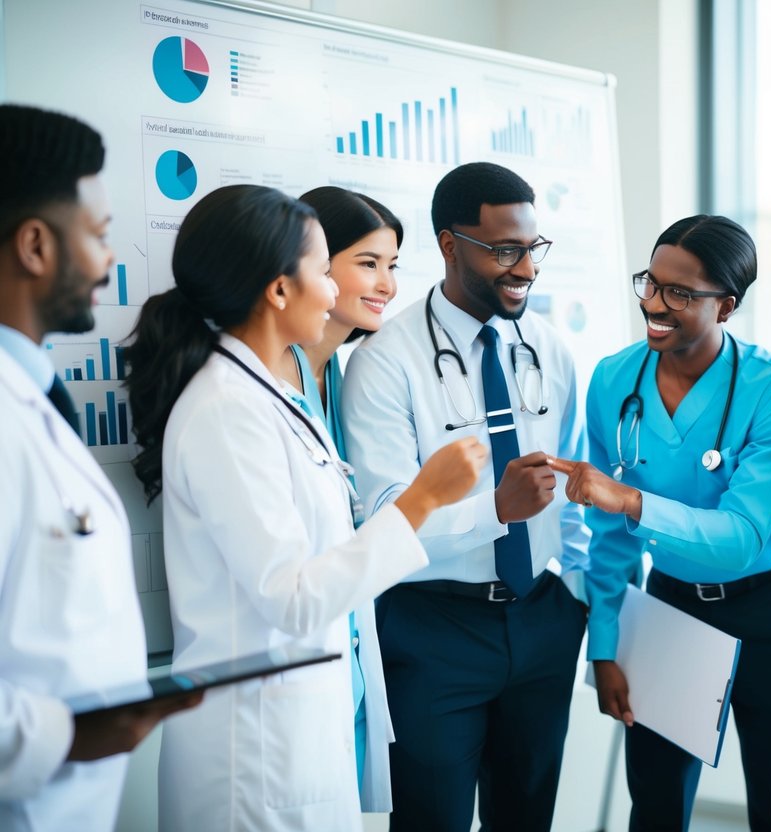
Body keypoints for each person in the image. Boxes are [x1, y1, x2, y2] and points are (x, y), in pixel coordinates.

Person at [124, 183, 487, 831]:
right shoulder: (226, 412)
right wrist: (423, 499)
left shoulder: (270, 399)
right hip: (254, 752)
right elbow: (291, 597)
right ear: (279, 289)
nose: (336, 290)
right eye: (325, 270)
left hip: (298, 728)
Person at [551, 215, 771, 832]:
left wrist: (630, 500)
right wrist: (606, 644)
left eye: (680, 293)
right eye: (650, 282)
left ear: (726, 306)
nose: (655, 302)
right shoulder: (614, 379)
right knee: (655, 804)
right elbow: (610, 537)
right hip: (670, 608)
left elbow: (740, 538)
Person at [340, 161, 589, 832]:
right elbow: (386, 515)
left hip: (541, 619)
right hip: (433, 630)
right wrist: (494, 510)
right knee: (432, 820)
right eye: (503, 249)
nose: (525, 268)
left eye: (532, 248)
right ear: (450, 245)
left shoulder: (549, 349)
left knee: (526, 815)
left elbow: (573, 492)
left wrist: (574, 595)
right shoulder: (383, 362)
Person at [0, 103, 199, 832]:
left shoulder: (30, 395)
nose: (108, 262)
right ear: (34, 245)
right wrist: (73, 734)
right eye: (99, 235)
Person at [275, 185, 402, 811]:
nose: (387, 285)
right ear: (317, 264)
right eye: (370, 263)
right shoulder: (269, 378)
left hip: (345, 651)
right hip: (293, 661)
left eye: (393, 266)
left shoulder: (340, 375)